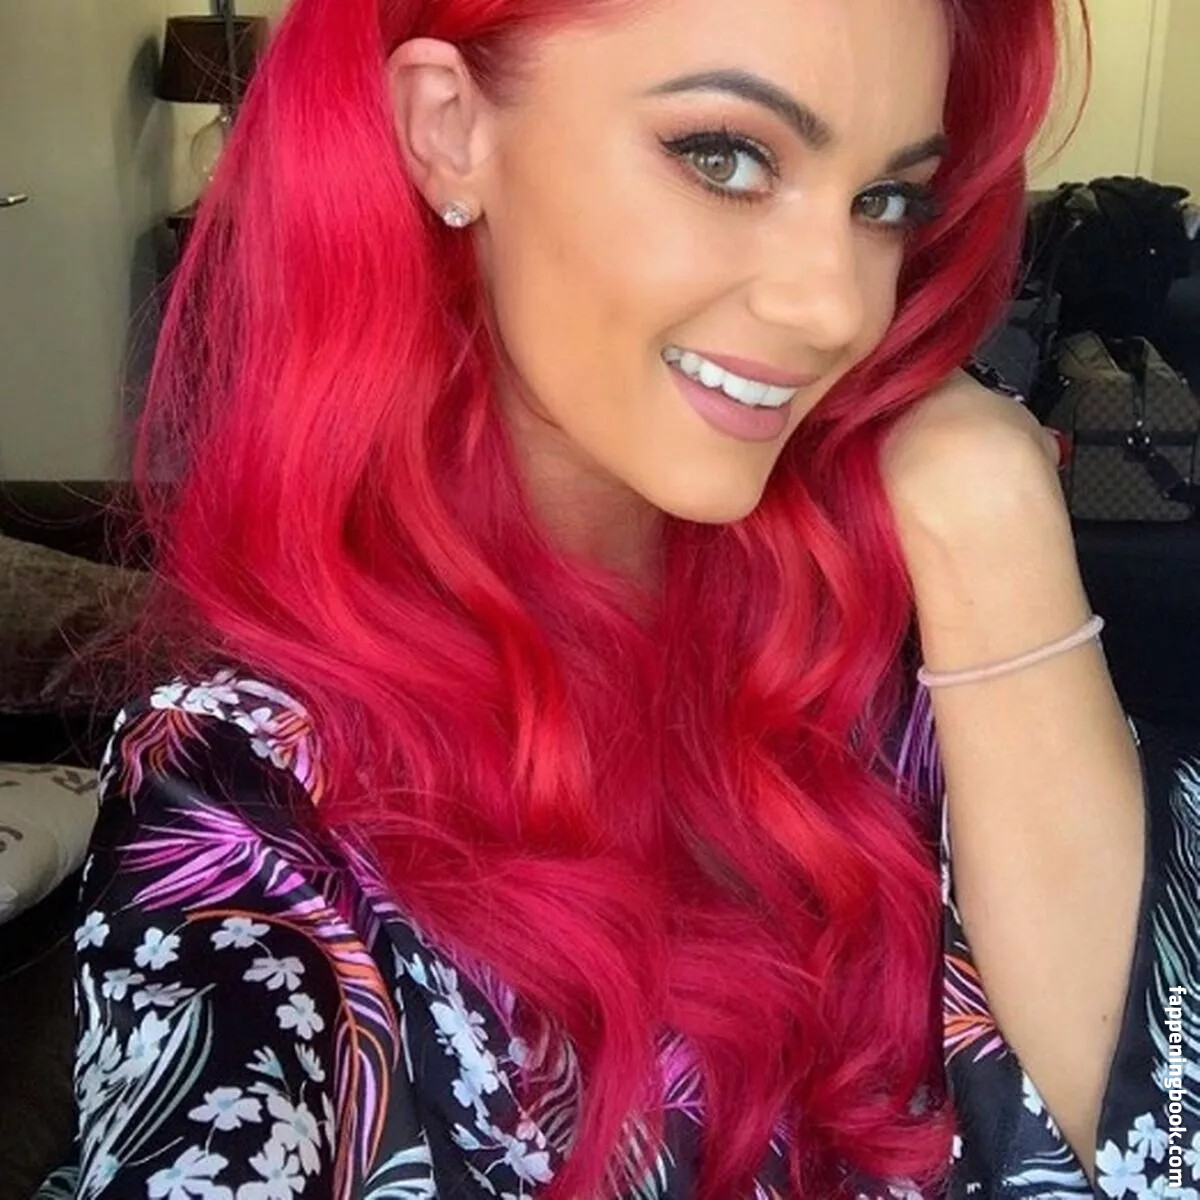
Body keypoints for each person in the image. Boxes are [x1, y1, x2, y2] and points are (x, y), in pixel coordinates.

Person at [41, 0, 1200, 1197]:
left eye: (886, 201)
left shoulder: (905, 646)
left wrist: (992, 515)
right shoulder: (247, 794)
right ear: (448, 130)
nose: (840, 308)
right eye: (725, 157)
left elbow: (1169, 1135)